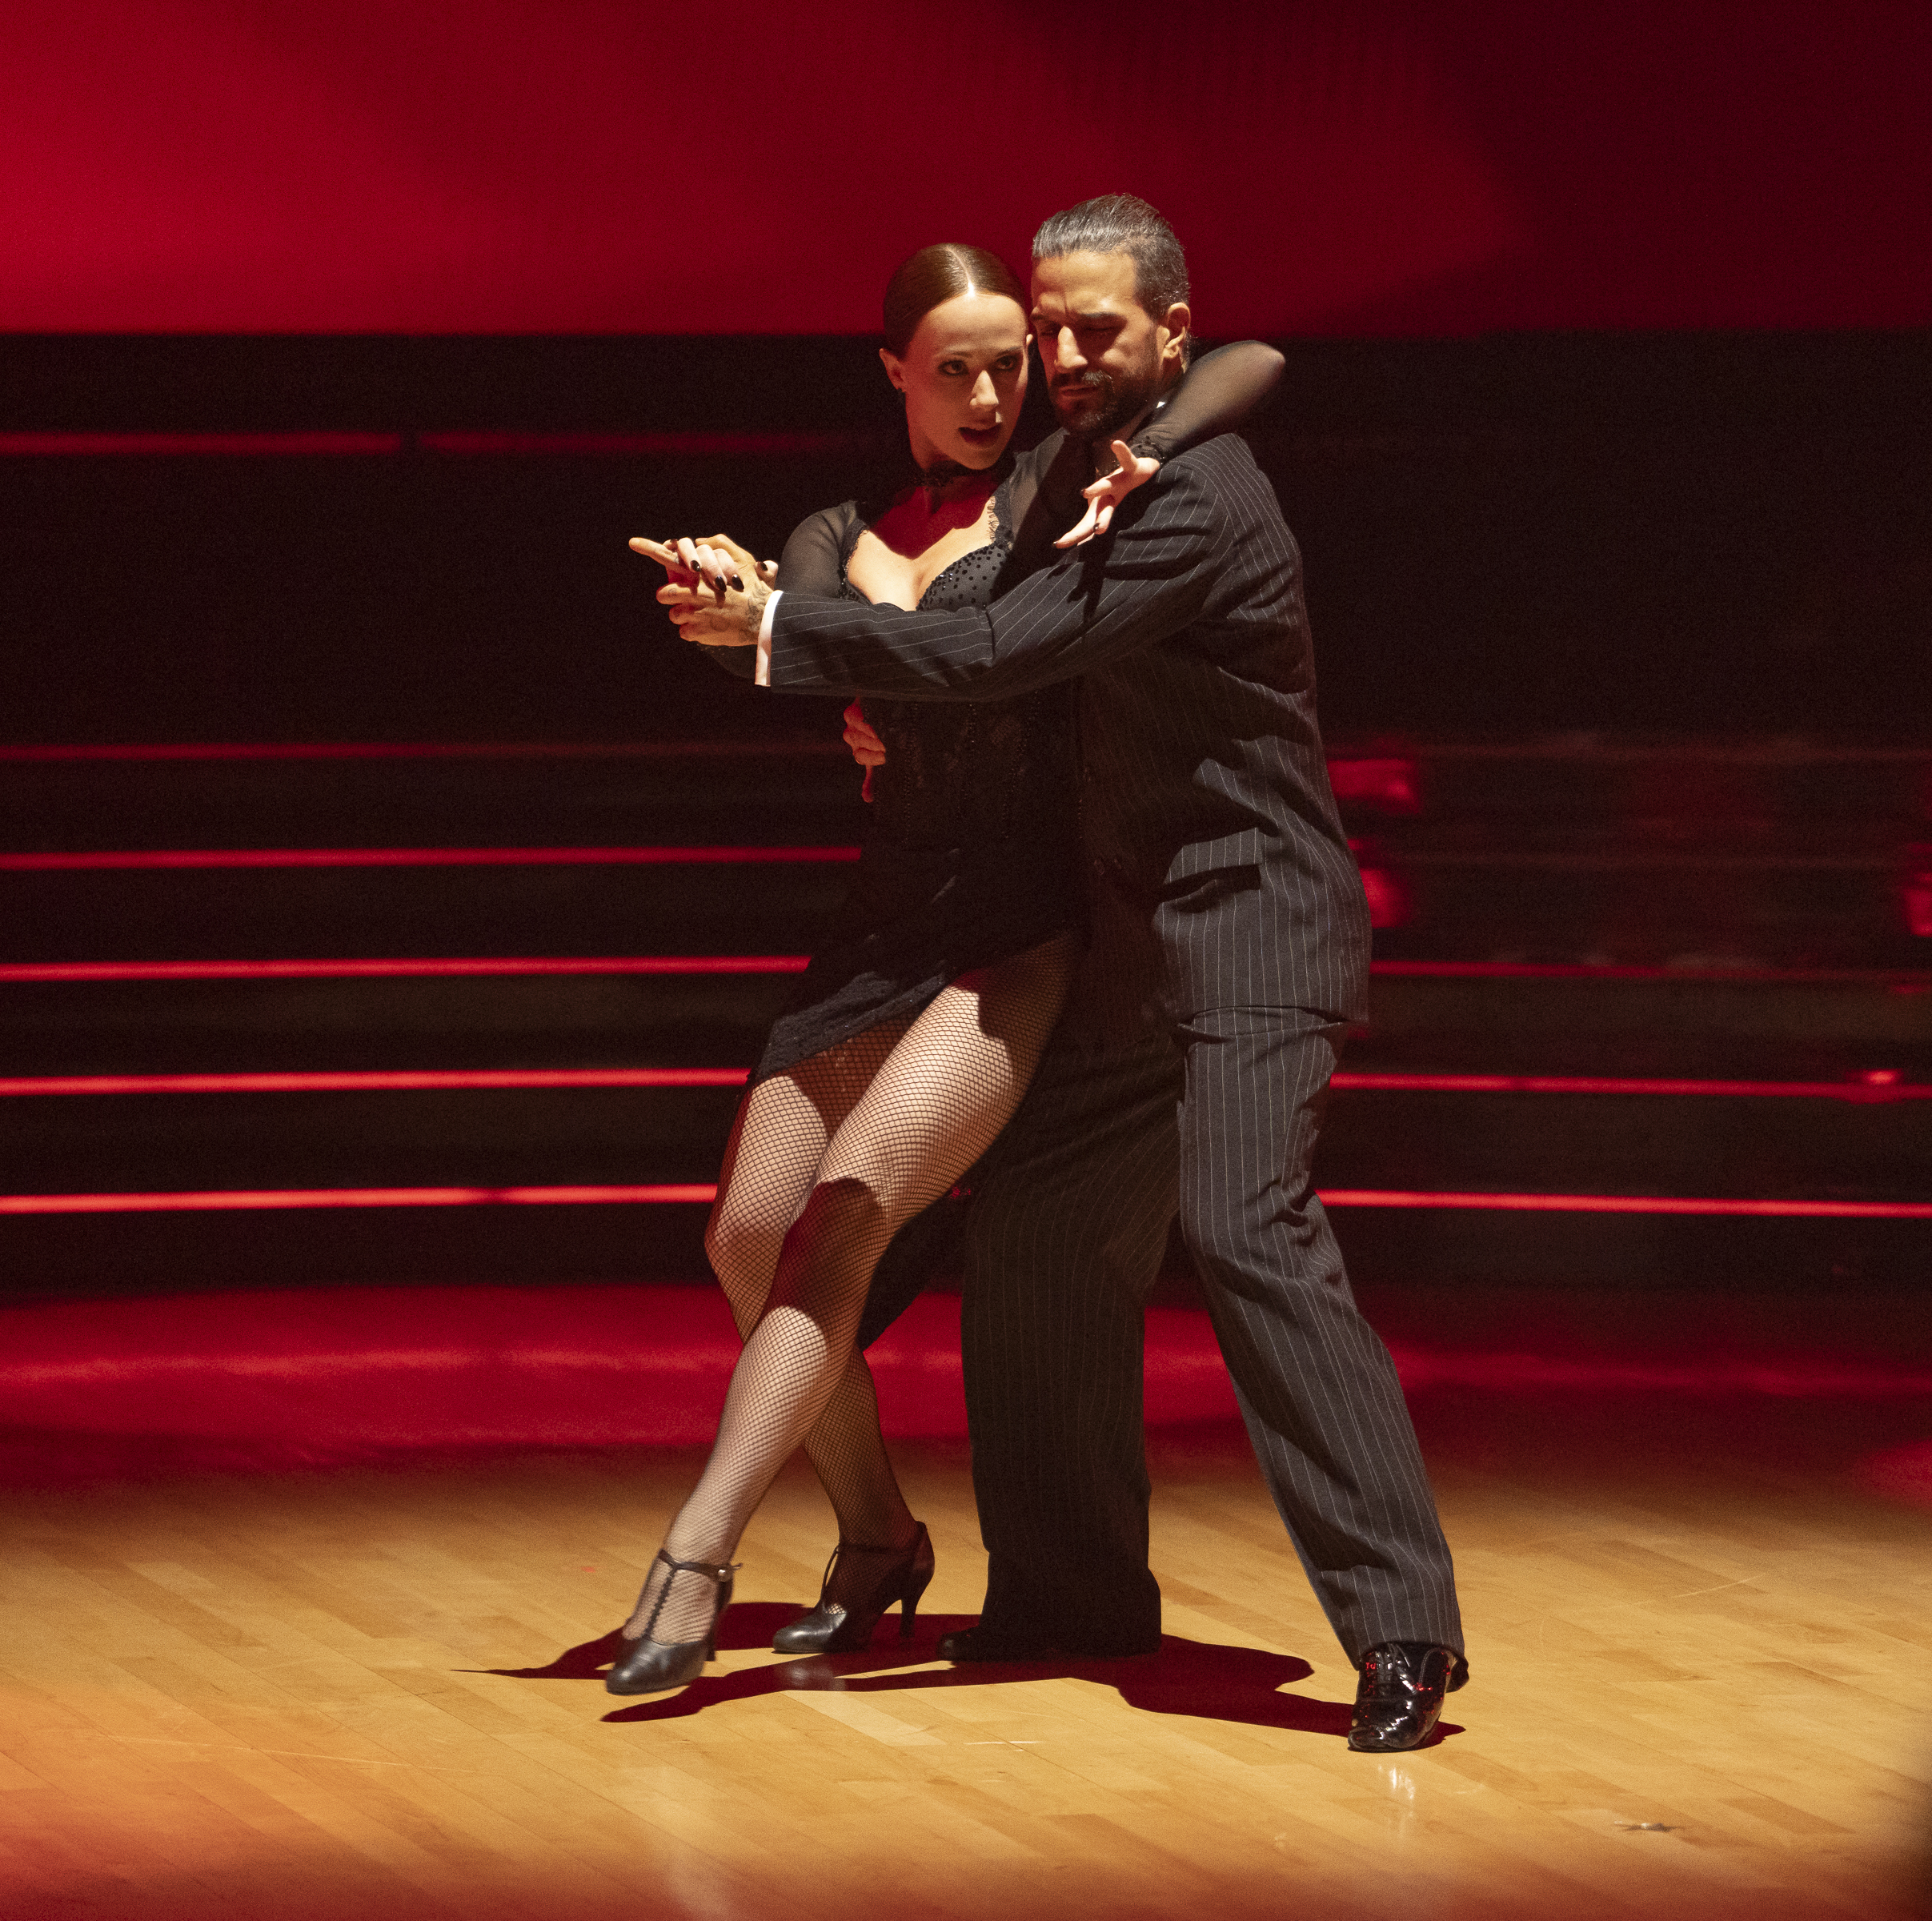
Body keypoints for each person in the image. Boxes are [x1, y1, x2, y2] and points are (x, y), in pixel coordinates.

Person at [659, 195, 1467, 1755]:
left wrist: (785, 632)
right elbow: (961, 583)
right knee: (1035, 1236)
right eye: (1052, 325)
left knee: (1245, 1226)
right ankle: (1068, 1599)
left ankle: (1404, 1630)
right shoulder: (1067, 470)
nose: (1066, 350)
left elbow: (997, 647)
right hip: (1115, 946)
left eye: (1103, 326)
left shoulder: (1188, 496)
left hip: (1246, 923)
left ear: (1170, 329)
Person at [607, 239, 1282, 1698]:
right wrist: (725, 600)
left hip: (1017, 931)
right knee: (742, 1237)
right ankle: (874, 1537)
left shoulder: (1060, 489)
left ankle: (698, 1547)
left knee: (846, 1215)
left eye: (1008, 362)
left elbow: (1248, 366)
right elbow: (781, 650)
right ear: (895, 375)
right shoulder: (832, 527)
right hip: (883, 924)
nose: (992, 391)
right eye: (957, 367)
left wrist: (1142, 444)